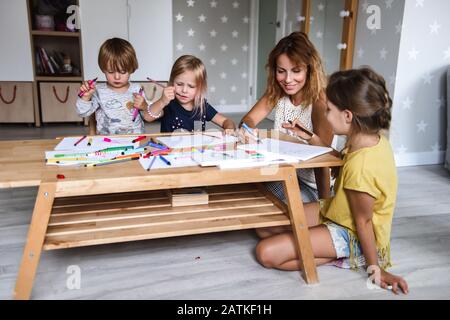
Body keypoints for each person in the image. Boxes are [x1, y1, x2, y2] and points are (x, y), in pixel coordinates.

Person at [255, 67, 409, 295]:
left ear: (347, 116)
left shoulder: (363, 166)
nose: (324, 115)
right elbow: (339, 161)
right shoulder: (365, 139)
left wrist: (376, 268)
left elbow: (364, 222)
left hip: (350, 232)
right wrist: (310, 137)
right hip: (336, 211)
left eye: (328, 110)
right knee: (263, 226)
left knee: (266, 253)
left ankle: (342, 257)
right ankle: (319, 244)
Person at [239, 32, 333, 203]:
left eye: (296, 71)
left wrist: (325, 206)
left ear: (309, 69)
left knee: (269, 211)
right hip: (284, 173)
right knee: (245, 194)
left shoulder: (319, 102)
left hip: (311, 186)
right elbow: (248, 119)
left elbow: (323, 161)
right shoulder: (277, 93)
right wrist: (247, 130)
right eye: (281, 71)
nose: (288, 80)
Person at [76, 38, 153, 135]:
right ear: (103, 68)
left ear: (131, 69)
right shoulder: (98, 90)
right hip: (107, 141)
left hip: (135, 139)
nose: (117, 77)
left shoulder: (137, 89)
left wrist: (144, 106)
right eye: (111, 71)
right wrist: (86, 97)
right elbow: (82, 113)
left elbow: (149, 114)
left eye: (123, 72)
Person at [145, 55, 236, 133]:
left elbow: (226, 121)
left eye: (191, 86)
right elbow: (147, 117)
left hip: (194, 151)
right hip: (170, 152)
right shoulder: (168, 103)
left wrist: (229, 129)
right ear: (172, 82)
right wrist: (162, 101)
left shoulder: (201, 105)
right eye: (179, 84)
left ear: (199, 88)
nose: (184, 90)